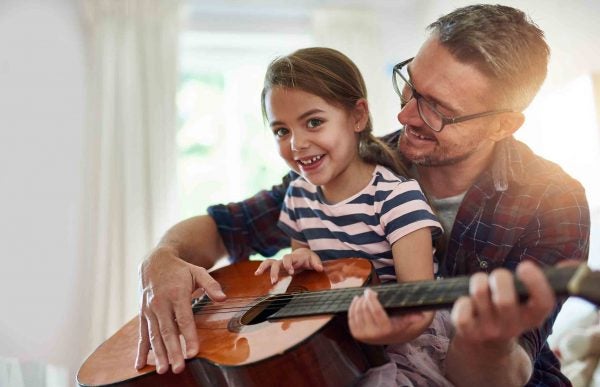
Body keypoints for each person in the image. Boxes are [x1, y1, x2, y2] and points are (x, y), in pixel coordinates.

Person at [136, 4, 590, 386]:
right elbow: (224, 227)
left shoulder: (553, 203)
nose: (404, 112)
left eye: (437, 109)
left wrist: (482, 342)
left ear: (502, 125)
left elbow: (507, 371)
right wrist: (162, 260)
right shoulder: (357, 161)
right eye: (410, 84)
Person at [252, 47, 442, 349]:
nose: (297, 144)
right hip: (334, 344)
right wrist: (298, 263)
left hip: (399, 347)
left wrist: (382, 334)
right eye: (281, 130)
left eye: (313, 122)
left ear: (357, 116)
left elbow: (420, 312)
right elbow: (306, 284)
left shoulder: (396, 199)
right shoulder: (298, 196)